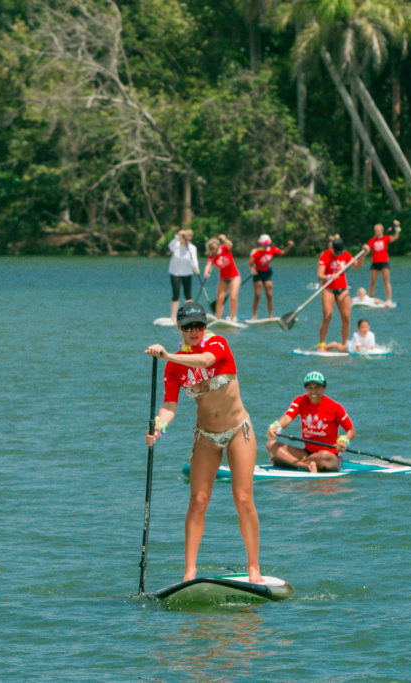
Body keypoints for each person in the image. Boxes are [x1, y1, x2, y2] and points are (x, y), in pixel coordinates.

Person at [144, 302, 261, 583]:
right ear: (179, 328)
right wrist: (158, 427)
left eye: (199, 325)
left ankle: (254, 567)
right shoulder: (173, 368)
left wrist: (168, 354)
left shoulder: (218, 343)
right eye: (188, 327)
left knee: (243, 499)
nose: (195, 331)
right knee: (197, 501)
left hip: (238, 431)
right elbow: (169, 406)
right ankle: (189, 572)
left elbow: (206, 361)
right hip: (206, 435)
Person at [266, 371, 356, 473]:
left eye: (317, 387)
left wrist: (344, 441)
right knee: (271, 445)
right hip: (307, 453)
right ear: (306, 389)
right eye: (310, 388)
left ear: (324, 388)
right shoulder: (300, 401)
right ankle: (305, 465)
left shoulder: (335, 407)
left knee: (323, 456)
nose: (313, 391)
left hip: (329, 455)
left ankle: (290, 461)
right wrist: (276, 427)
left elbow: (351, 430)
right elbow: (287, 417)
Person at [317, 236, 369, 349]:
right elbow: (320, 275)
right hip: (328, 289)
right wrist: (330, 276)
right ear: (332, 248)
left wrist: (364, 255)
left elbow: (357, 265)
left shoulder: (345, 254)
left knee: (346, 317)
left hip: (342, 289)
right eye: (336, 252)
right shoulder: (325, 255)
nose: (338, 254)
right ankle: (321, 344)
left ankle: (344, 343)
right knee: (327, 316)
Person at [249, 234, 293, 320]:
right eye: (264, 243)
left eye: (267, 243)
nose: (266, 245)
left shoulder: (273, 249)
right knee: (257, 295)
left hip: (267, 272)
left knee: (269, 295)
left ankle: (270, 315)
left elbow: (283, 252)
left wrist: (289, 246)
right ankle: (254, 315)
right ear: (261, 243)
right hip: (257, 273)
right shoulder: (255, 251)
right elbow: (251, 263)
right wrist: (252, 269)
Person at [203, 234, 241, 321]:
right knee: (220, 299)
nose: (214, 250)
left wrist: (224, 239)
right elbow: (208, 266)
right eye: (212, 249)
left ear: (218, 246)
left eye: (215, 248)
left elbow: (230, 244)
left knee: (233, 297)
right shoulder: (212, 257)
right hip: (223, 278)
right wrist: (206, 272)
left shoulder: (225, 249)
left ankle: (233, 317)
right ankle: (218, 318)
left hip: (234, 276)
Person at [167, 227, 200, 322]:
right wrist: (177, 236)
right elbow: (170, 246)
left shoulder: (192, 248)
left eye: (188, 238)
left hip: (187, 273)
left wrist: (196, 267)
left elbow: (194, 259)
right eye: (185, 237)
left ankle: (189, 315)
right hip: (175, 273)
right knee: (176, 294)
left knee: (188, 295)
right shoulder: (176, 245)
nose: (186, 240)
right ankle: (173, 316)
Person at [367, 220, 401, 306]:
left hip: (384, 262)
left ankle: (389, 300)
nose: (376, 232)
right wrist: (365, 249)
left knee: (386, 281)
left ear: (382, 231)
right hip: (375, 263)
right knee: (373, 282)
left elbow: (396, 237)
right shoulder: (372, 240)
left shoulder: (386, 238)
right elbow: (368, 249)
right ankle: (370, 298)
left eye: (378, 230)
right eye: (375, 230)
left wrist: (397, 227)